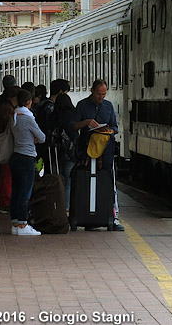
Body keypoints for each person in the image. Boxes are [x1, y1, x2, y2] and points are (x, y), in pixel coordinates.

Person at [71, 79, 124, 231]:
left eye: (104, 94)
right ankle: (85, 215)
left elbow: (114, 127)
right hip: (86, 151)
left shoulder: (108, 106)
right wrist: (86, 123)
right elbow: (73, 125)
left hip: (105, 151)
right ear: (92, 91)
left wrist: (108, 130)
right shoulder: (82, 105)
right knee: (84, 181)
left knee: (110, 182)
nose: (101, 97)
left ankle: (113, 217)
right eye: (98, 94)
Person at [9, 87, 45, 236]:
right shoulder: (28, 117)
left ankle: (15, 223)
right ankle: (23, 225)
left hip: (15, 156)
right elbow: (42, 137)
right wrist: (34, 138)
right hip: (27, 157)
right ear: (29, 102)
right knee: (25, 193)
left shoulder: (14, 116)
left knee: (16, 192)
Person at [47, 79, 77, 204]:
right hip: (70, 153)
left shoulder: (52, 115)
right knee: (69, 181)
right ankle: (67, 208)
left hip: (55, 152)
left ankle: (56, 207)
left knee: (56, 180)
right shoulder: (74, 115)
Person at [0, 86, 18, 213]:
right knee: (7, 174)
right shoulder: (8, 110)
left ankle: (3, 199)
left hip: (0, 142)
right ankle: (5, 202)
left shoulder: (0, 107)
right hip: (6, 144)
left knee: (3, 174)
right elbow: (10, 126)